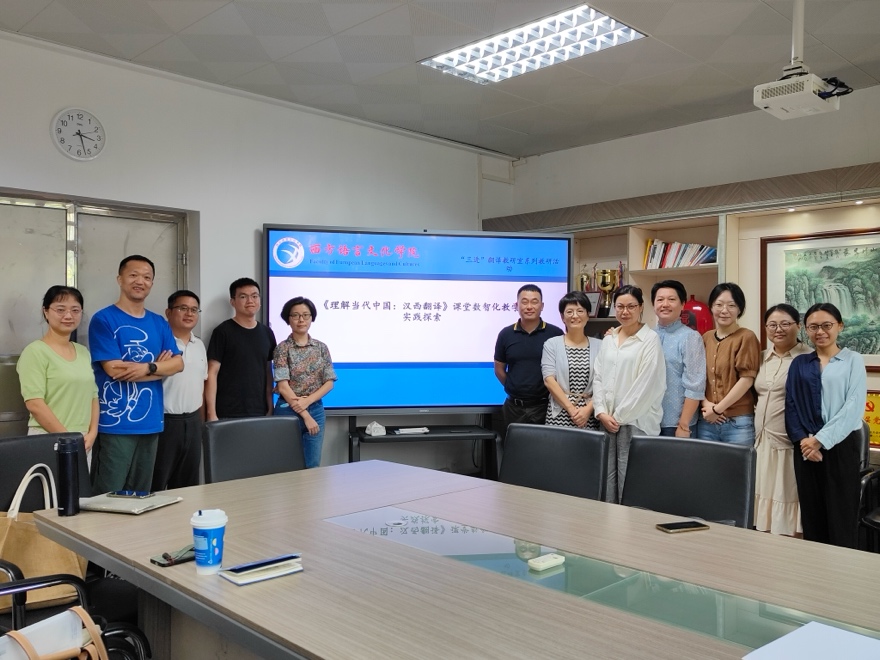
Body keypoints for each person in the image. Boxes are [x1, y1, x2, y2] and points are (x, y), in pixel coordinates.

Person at [89, 255, 183, 493]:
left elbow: (178, 364)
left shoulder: (158, 322)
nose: (140, 281)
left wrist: (148, 368)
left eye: (147, 277)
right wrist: (161, 369)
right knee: (107, 496)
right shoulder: (103, 319)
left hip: (151, 423)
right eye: (133, 275)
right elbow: (115, 370)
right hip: (115, 426)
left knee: (141, 496)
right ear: (119, 279)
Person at [785, 302, 867, 548]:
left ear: (839, 326)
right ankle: (816, 569)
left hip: (840, 446)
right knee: (812, 515)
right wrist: (804, 441)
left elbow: (853, 408)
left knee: (841, 516)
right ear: (806, 330)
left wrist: (819, 440)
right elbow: (791, 405)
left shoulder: (852, 360)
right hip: (806, 448)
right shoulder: (800, 363)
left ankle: (842, 569)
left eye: (826, 325)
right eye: (813, 327)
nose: (820, 332)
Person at [593, 285, 666, 503]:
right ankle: (608, 521)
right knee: (607, 478)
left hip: (636, 421)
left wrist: (618, 416)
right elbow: (598, 377)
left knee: (632, 479)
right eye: (620, 306)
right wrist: (601, 412)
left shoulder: (650, 339)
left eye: (631, 306)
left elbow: (646, 384)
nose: (625, 311)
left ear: (641, 307)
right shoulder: (609, 339)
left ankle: (631, 523)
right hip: (607, 420)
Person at [17, 286, 99, 452]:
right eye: (60, 310)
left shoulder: (83, 352)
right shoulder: (35, 352)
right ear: (46, 312)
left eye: (75, 310)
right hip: (48, 438)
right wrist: (68, 439)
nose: (68, 316)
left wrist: (92, 433)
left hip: (83, 440)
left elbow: (93, 396)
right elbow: (34, 403)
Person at [754, 303, 810, 537]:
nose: (779, 329)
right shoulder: (761, 357)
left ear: (799, 326)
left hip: (790, 442)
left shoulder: (808, 358)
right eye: (772, 325)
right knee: (763, 498)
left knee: (788, 496)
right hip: (761, 440)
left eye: (785, 324)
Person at [151, 290, 208, 491]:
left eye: (194, 310)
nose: (189, 313)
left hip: (192, 422)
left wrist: (201, 423)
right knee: (157, 482)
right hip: (164, 423)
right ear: (168, 312)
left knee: (188, 485)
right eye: (183, 308)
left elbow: (201, 385)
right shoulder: (158, 344)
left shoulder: (199, 344)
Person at [273, 296, 337, 468]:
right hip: (287, 410)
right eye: (295, 315)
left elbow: (329, 383)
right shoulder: (282, 349)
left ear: (311, 318)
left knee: (312, 465)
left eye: (305, 315)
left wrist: (308, 402)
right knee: (285, 466)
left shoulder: (321, 348)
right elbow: (283, 387)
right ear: (288, 319)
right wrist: (305, 414)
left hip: (315, 409)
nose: (301, 319)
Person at [206, 278, 277, 420]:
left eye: (254, 296)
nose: (250, 301)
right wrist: (211, 413)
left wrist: (270, 405)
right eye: (243, 297)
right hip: (227, 411)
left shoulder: (267, 332)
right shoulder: (222, 332)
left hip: (259, 410)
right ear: (233, 302)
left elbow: (268, 372)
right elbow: (212, 373)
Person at [698, 282, 760, 445]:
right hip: (707, 420)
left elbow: (747, 379)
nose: (724, 310)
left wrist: (717, 409)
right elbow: (698, 377)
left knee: (738, 463)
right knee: (705, 462)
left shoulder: (746, 337)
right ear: (711, 307)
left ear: (740, 309)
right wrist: (706, 404)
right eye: (719, 304)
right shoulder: (705, 337)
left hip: (737, 422)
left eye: (731, 305)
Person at [494, 285, 563, 430]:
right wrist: (513, 386)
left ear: (542, 306)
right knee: (513, 444)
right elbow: (499, 369)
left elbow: (561, 370)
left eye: (534, 302)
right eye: (524, 302)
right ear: (516, 305)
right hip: (513, 408)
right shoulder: (505, 334)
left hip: (545, 407)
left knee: (545, 445)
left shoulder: (555, 333)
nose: (529, 307)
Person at [651, 280, 706, 437]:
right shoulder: (648, 336)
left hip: (675, 423)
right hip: (648, 422)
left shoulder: (690, 337)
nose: (665, 304)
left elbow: (695, 385)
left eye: (671, 299)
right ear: (653, 304)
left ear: (682, 304)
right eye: (660, 299)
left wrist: (684, 424)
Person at [541, 291, 602, 429]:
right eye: (569, 312)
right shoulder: (551, 344)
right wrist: (571, 410)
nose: (575, 315)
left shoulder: (600, 345)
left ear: (588, 315)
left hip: (589, 414)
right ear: (562, 317)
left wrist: (587, 410)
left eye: (580, 311)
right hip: (559, 413)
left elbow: (605, 383)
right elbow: (549, 380)